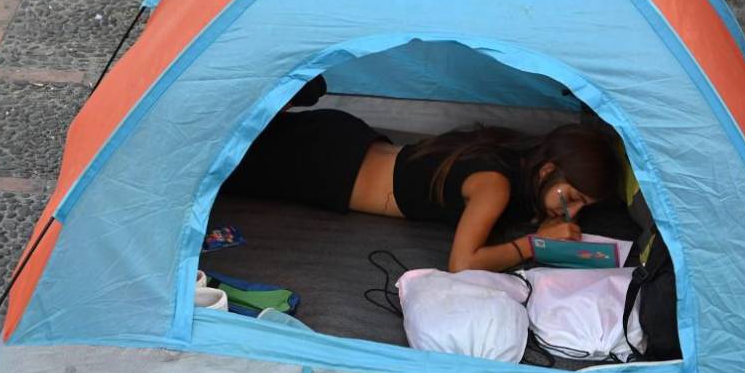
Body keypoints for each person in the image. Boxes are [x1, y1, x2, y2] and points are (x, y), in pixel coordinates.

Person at [221, 95, 621, 273]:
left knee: (236, 137)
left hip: (344, 139)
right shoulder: (494, 185)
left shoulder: (514, 154)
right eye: (572, 198)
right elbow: (462, 264)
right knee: (217, 161)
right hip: (324, 167)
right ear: (547, 169)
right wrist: (533, 245)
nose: (572, 210)